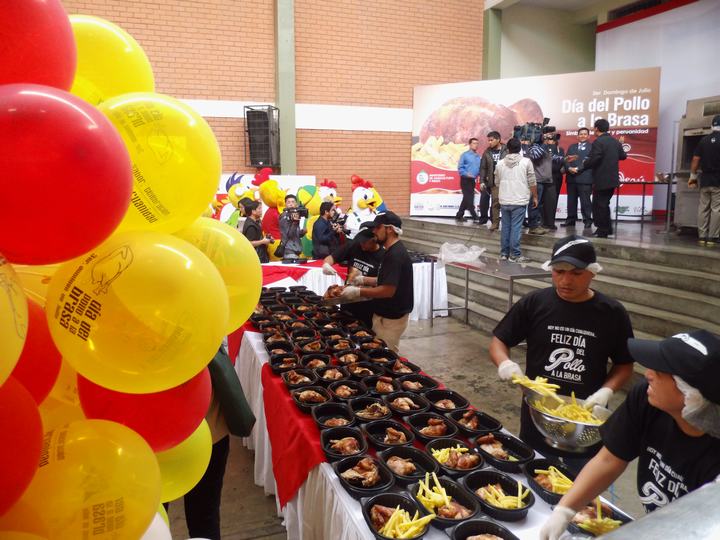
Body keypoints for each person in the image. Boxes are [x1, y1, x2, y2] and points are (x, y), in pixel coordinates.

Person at [540, 330, 720, 540]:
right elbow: (609, 459)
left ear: (691, 396)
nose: (648, 374)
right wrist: (565, 510)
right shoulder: (646, 398)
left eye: (659, 371)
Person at [489, 235, 634, 470]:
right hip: (538, 418)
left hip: (585, 422)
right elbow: (499, 341)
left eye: (576, 273)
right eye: (558, 272)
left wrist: (606, 391)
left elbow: (624, 364)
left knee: (581, 485)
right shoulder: (534, 303)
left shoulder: (611, 312)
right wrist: (505, 364)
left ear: (593, 272)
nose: (566, 280)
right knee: (535, 477)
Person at [340, 212, 413, 353]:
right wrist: (363, 279)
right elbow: (387, 279)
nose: (374, 231)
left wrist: (358, 291)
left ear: (390, 229)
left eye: (378, 227)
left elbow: (388, 290)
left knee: (384, 356)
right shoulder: (390, 251)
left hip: (391, 318)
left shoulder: (395, 255)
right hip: (383, 315)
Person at [323, 221, 385, 328]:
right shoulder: (354, 246)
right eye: (360, 241)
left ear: (374, 239)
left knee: (363, 332)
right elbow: (332, 257)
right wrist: (326, 264)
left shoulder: (383, 256)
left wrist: (363, 280)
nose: (361, 244)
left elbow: (384, 282)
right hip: (347, 300)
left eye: (364, 242)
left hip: (368, 305)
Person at [579, 118, 626, 238]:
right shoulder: (615, 142)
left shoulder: (598, 142)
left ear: (596, 129)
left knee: (599, 205)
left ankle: (603, 230)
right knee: (604, 204)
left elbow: (595, 158)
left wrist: (585, 164)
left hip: (602, 179)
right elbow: (623, 156)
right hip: (613, 179)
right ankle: (607, 228)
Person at [495, 137, 538, 263]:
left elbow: (497, 182)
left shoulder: (500, 163)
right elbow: (532, 181)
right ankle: (514, 255)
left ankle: (504, 254)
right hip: (519, 200)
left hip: (504, 200)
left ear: (507, 149)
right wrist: (535, 196)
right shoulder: (526, 162)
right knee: (516, 228)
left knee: (505, 227)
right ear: (520, 149)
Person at [689, 114, 720, 246]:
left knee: (703, 208)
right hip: (718, 180)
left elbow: (695, 159)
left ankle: (702, 236)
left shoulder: (704, 140)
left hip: (705, 179)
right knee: (716, 209)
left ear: (712, 126)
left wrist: (693, 177)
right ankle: (712, 237)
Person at [524, 128, 558, 234]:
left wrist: (565, 159)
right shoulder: (533, 147)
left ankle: (537, 224)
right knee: (534, 203)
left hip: (544, 180)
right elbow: (535, 155)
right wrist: (544, 143)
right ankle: (533, 226)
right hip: (536, 180)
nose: (546, 137)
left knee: (539, 204)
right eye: (544, 135)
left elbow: (551, 157)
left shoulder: (544, 147)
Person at [563, 128, 594, 230]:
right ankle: (570, 220)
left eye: (585, 134)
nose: (583, 136)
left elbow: (589, 161)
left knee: (585, 202)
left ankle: (587, 220)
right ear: (577, 136)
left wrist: (577, 169)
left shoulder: (592, 147)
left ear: (588, 136)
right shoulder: (572, 147)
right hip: (571, 178)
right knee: (571, 201)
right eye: (581, 134)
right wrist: (569, 168)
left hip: (585, 178)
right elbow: (566, 160)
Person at [478, 131, 507, 230]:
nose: (489, 142)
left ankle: (506, 223)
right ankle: (495, 223)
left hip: (506, 181)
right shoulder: (487, 152)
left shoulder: (507, 150)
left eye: (491, 140)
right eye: (488, 140)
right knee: (494, 203)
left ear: (498, 139)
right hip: (493, 182)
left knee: (506, 204)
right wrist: (482, 181)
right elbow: (483, 168)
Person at [456, 137, 481, 222]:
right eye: (474, 143)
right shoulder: (464, 155)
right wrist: (466, 174)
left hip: (472, 181)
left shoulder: (478, 157)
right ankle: (475, 216)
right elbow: (460, 168)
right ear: (470, 144)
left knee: (466, 199)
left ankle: (459, 215)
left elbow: (479, 169)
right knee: (469, 198)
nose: (476, 145)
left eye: (477, 143)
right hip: (465, 180)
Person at [278, 194, 306, 259]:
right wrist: (295, 222)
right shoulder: (284, 216)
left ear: (296, 204)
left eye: (293, 202)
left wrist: (302, 232)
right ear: (285, 204)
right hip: (289, 250)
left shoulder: (294, 215)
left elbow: (296, 234)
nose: (291, 204)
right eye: (289, 202)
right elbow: (288, 234)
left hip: (295, 249)